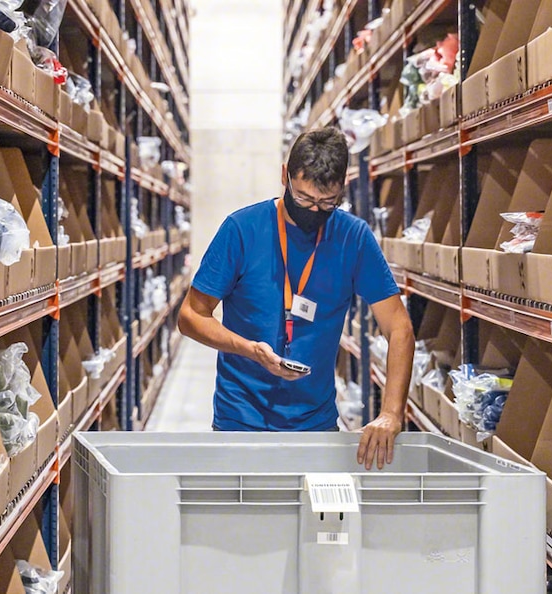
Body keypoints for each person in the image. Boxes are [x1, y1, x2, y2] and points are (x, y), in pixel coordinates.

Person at [178, 127, 415, 470]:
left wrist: (391, 413)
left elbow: (399, 327)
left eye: (326, 203)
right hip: (240, 419)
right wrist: (250, 350)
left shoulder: (353, 237)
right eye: (304, 199)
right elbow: (191, 316)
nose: (313, 211)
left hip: (315, 424)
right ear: (284, 176)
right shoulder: (242, 230)